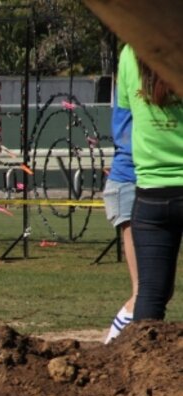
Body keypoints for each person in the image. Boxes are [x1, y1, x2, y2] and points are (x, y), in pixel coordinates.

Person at [116, 44, 183, 322]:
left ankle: (142, 363)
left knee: (150, 295)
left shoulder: (130, 54)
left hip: (151, 197)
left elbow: (124, 120)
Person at [102, 88, 138, 343]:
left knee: (154, 290)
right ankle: (111, 350)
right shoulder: (136, 65)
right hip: (133, 183)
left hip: (141, 184)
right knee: (146, 291)